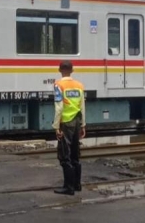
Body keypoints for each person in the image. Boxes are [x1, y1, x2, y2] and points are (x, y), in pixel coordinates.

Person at [52, 60, 86, 195]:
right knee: (75, 154)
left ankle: (69, 187)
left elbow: (59, 108)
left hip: (66, 122)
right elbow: (82, 106)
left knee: (64, 155)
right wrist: (83, 124)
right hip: (77, 121)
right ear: (72, 70)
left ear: (60, 70)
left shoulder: (58, 85)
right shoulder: (79, 85)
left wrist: (56, 127)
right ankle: (77, 185)